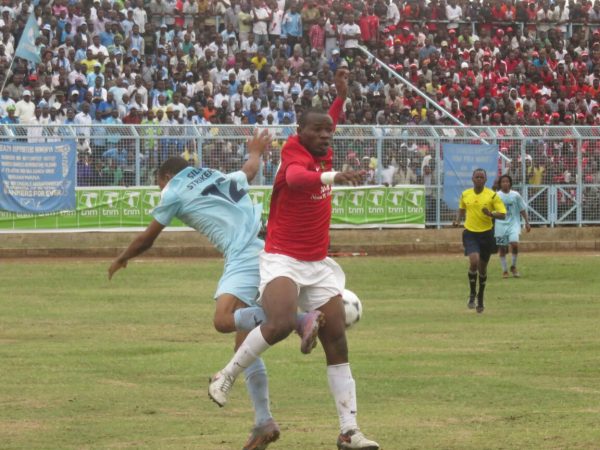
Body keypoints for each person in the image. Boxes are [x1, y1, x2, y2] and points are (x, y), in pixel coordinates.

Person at [107, 130, 320, 450]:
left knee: (223, 319)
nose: (160, 191)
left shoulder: (174, 189)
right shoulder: (217, 175)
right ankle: (263, 422)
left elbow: (148, 238)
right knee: (244, 344)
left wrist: (122, 258)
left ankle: (299, 320)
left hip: (245, 255)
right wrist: (256, 151)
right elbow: (249, 170)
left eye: (158, 185)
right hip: (270, 248)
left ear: (166, 176)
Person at [208, 68, 380, 450]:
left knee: (336, 341)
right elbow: (301, 180)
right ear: (299, 131)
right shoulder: (293, 156)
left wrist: (341, 96)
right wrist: (332, 177)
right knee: (281, 322)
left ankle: (349, 431)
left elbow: (330, 120)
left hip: (318, 264)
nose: (324, 135)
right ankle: (226, 375)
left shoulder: (322, 144)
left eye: (328, 132)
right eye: (316, 131)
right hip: (282, 258)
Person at [453, 169, 506, 313]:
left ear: (485, 179)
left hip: (487, 234)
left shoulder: (492, 195)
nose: (479, 179)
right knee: (474, 261)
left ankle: (480, 296)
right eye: (476, 177)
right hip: (470, 233)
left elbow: (503, 215)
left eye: (481, 177)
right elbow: (462, 209)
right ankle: (472, 293)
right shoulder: (466, 194)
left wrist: (490, 213)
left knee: (482, 268)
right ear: (472, 179)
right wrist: (458, 219)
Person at [494, 174, 531, 278]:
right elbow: (491, 210)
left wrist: (527, 222)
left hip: (513, 223)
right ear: (500, 184)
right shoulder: (496, 196)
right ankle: (505, 270)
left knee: (514, 244)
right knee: (502, 248)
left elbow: (522, 209)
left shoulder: (516, 195)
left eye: (507, 181)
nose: (505, 183)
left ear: (510, 183)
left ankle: (513, 266)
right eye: (503, 182)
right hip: (500, 224)